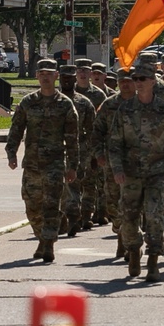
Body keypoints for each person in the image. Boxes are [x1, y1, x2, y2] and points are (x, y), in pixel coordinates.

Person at [108, 61, 164, 282]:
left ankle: (153, 259)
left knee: (154, 214)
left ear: (153, 81)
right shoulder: (125, 109)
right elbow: (115, 143)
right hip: (131, 172)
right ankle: (133, 251)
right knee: (129, 216)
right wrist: (117, 169)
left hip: (157, 172)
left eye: (143, 79)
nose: (138, 83)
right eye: (136, 79)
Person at [5, 59, 79, 263]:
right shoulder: (28, 103)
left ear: (56, 76)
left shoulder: (65, 104)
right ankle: (42, 239)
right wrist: (11, 153)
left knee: (52, 206)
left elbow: (73, 139)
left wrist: (73, 166)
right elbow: (16, 130)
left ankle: (48, 244)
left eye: (49, 73)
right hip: (31, 164)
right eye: (42, 73)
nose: (46, 77)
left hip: (55, 164)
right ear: (37, 76)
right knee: (32, 206)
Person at [92, 67, 136, 260]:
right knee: (113, 204)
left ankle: (130, 243)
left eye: (129, 80)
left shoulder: (143, 103)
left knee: (134, 204)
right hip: (113, 163)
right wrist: (99, 154)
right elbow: (97, 132)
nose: (125, 84)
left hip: (137, 163)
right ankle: (120, 231)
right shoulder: (109, 105)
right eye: (122, 81)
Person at [58, 65, 96, 237]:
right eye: (64, 77)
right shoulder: (52, 100)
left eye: (70, 77)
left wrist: (93, 153)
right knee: (55, 187)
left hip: (78, 150)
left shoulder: (84, 103)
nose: (67, 80)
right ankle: (59, 219)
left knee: (73, 184)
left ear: (75, 79)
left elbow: (93, 130)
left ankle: (73, 217)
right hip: (54, 150)